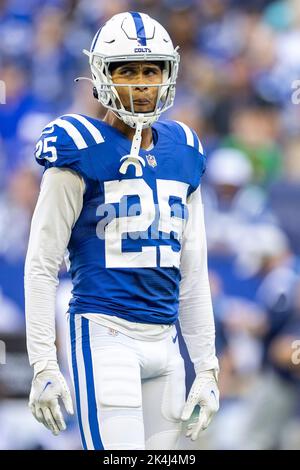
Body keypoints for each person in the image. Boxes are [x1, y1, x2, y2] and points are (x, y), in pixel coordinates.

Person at [24, 11, 219, 450]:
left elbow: (193, 272)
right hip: (104, 333)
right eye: (127, 69)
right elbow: (41, 263)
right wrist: (43, 363)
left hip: (165, 342)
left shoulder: (184, 150)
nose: (142, 82)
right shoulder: (78, 146)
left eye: (151, 69)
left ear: (168, 74)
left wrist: (206, 367)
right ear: (100, 75)